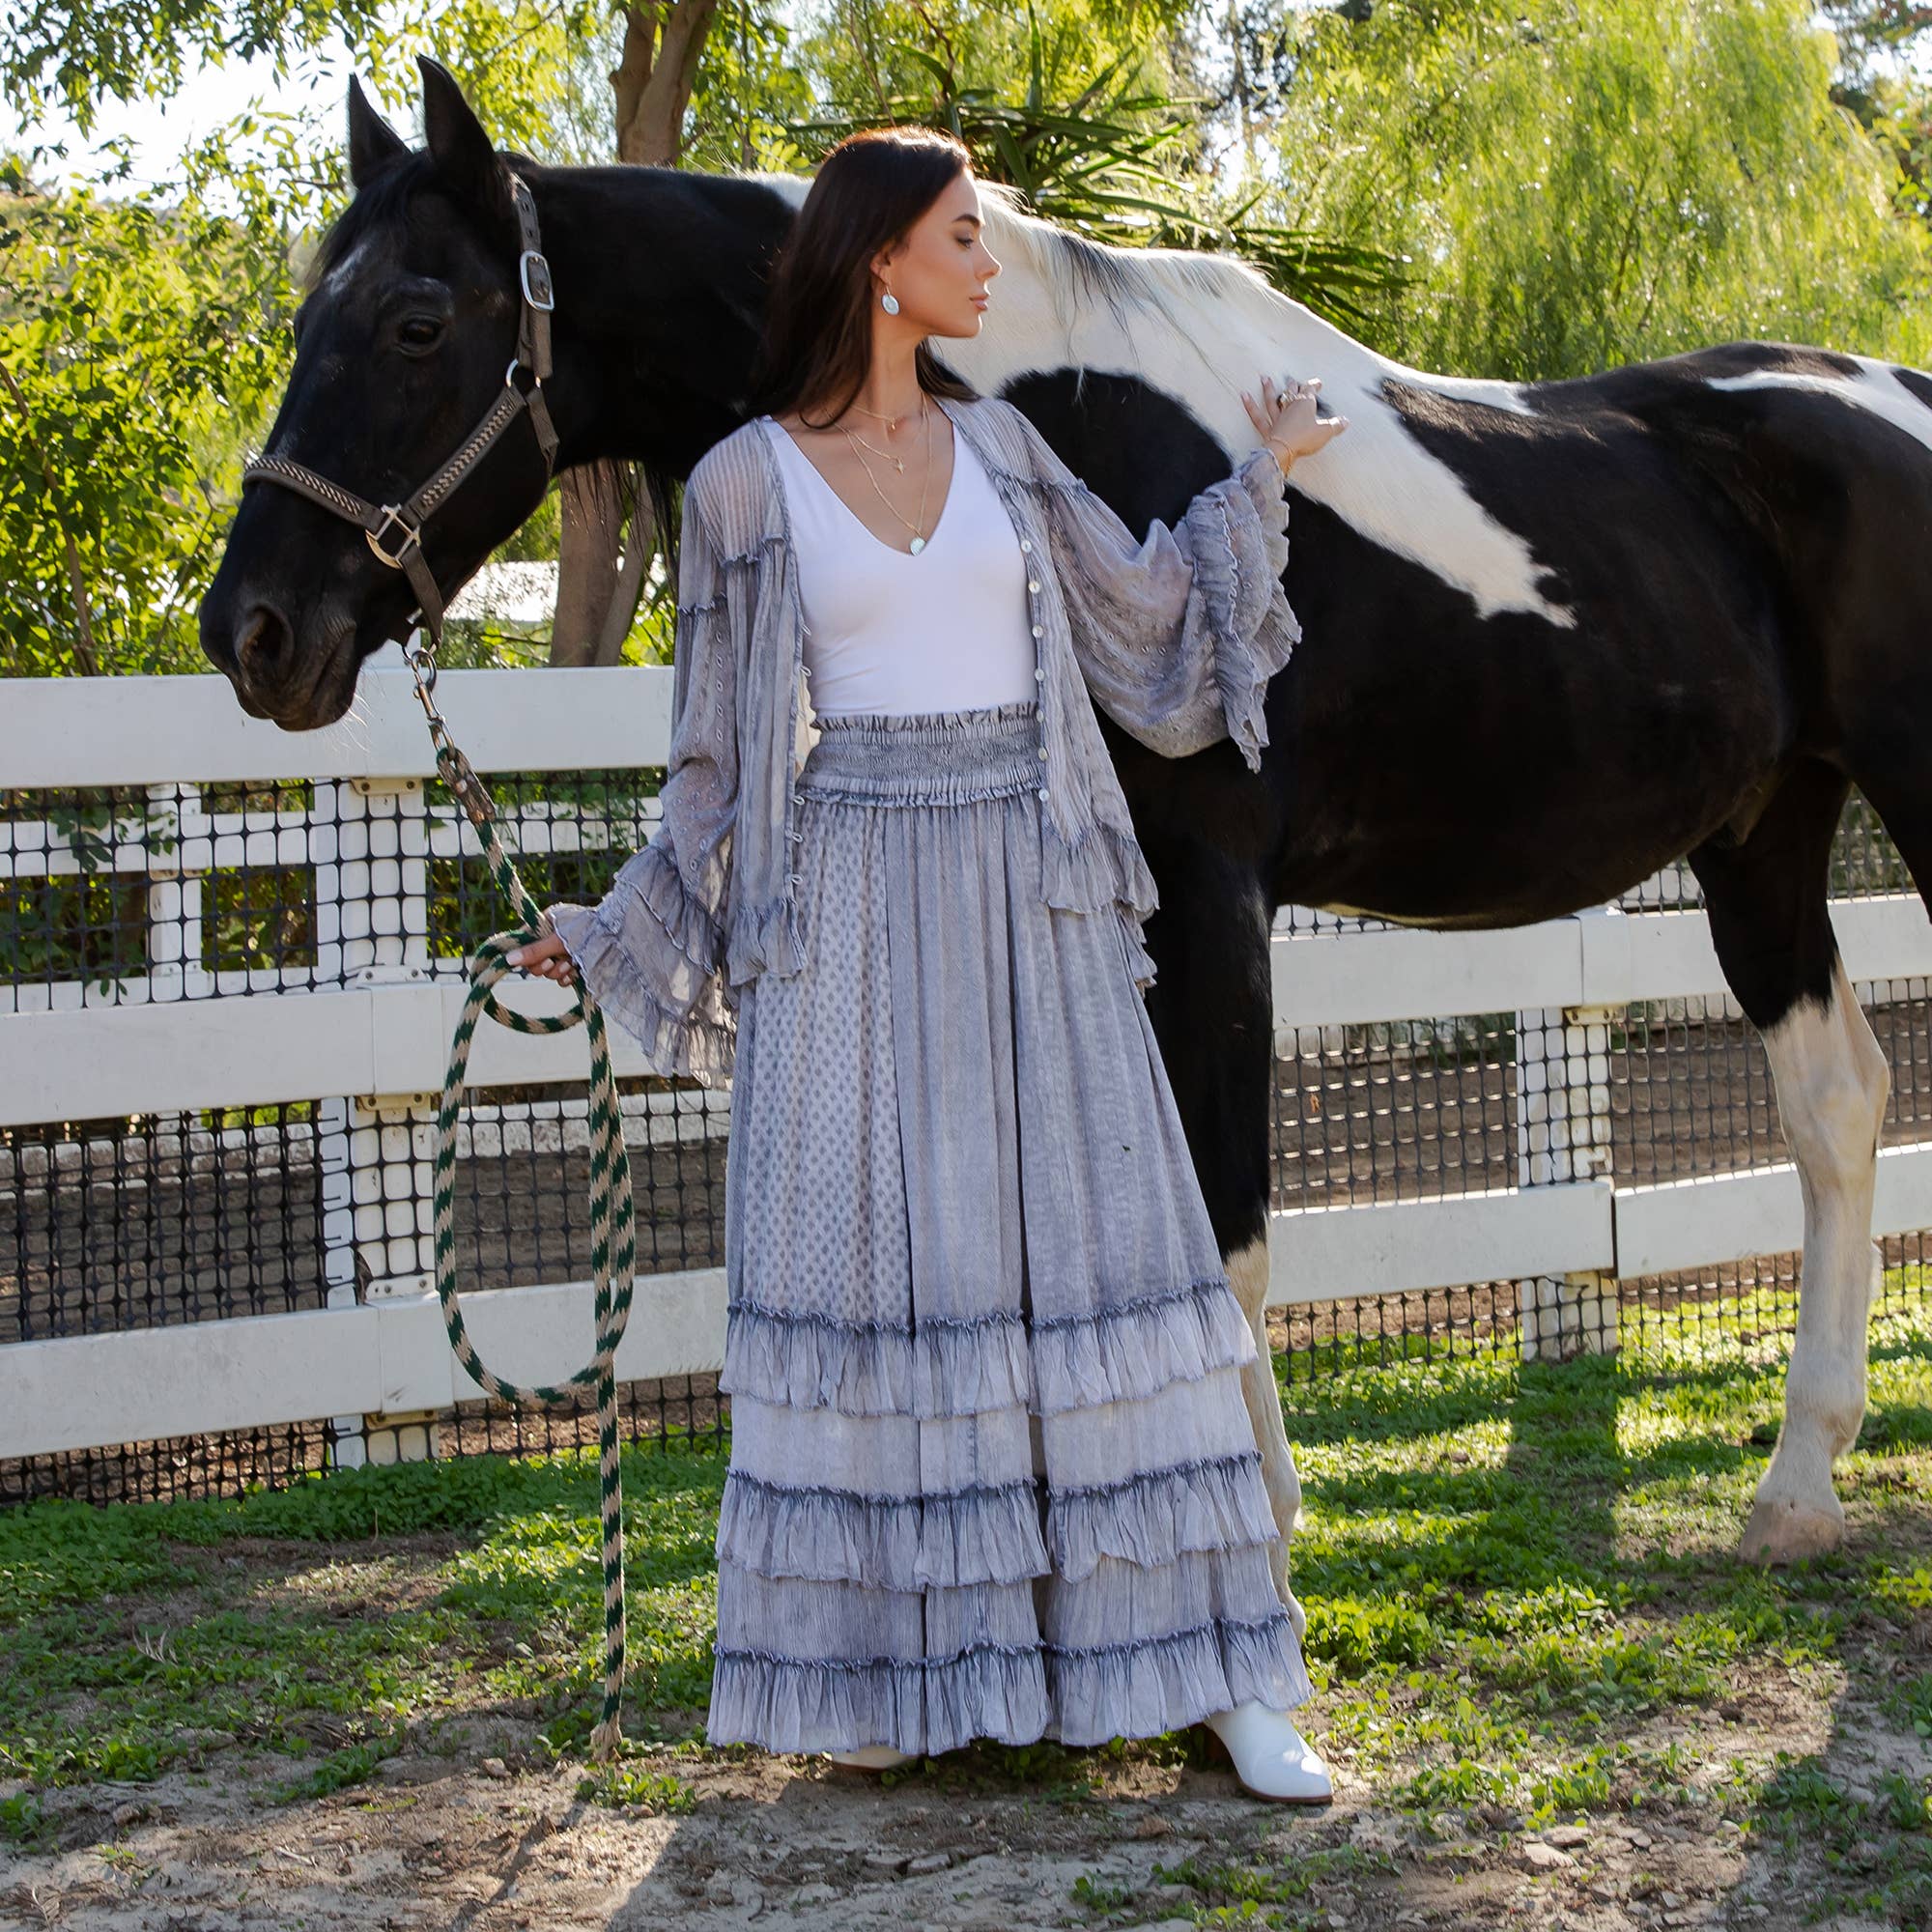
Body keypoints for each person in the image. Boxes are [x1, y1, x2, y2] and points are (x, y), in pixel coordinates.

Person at [508, 125, 1350, 1801]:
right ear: (881, 261)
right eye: (964, 235)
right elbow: (712, 768)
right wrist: (612, 929)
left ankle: (1223, 1673)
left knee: (1117, 1265)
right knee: (892, 1291)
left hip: (1037, 894)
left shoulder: (1010, 452)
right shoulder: (741, 487)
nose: (988, 262)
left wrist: (1262, 479)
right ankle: (910, 1671)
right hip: (849, 921)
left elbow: (1143, 614)